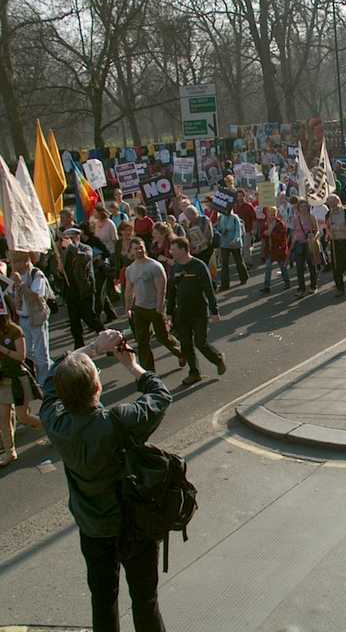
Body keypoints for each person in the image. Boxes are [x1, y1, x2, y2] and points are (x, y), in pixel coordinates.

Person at [40, 329, 171, 629]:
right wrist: (132, 365)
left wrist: (92, 348)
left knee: (102, 601)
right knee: (145, 600)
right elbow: (161, 395)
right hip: (133, 526)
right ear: (97, 388)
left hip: (93, 528)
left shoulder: (56, 423)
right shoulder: (118, 421)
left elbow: (51, 376)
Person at [167, 237, 226, 386]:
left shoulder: (198, 266)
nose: (170, 252)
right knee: (186, 344)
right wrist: (169, 313)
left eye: (173, 249)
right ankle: (194, 373)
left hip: (199, 312)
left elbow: (209, 290)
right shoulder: (175, 268)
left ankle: (218, 359)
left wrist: (214, 311)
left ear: (182, 249)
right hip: (182, 312)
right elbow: (171, 292)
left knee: (200, 342)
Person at [125, 237, 184, 373]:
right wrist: (128, 307)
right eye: (136, 248)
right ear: (131, 251)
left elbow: (161, 289)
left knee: (163, 337)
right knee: (142, 341)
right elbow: (128, 290)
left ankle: (181, 353)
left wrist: (159, 307)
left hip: (154, 308)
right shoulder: (130, 269)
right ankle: (149, 373)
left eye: (141, 246)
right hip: (139, 309)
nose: (139, 250)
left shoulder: (155, 266)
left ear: (145, 247)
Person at [0, 297, 43, 466]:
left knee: (23, 417)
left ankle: (48, 427)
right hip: (3, 379)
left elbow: (21, 356)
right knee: (3, 418)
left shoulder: (14, 331)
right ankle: (10, 452)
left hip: (18, 378)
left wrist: (3, 350)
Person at [10, 251, 53, 385]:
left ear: (26, 261)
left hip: (36, 317)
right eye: (14, 261)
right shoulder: (15, 276)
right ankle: (52, 370)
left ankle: (44, 383)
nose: (16, 264)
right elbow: (12, 297)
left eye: (18, 261)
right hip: (22, 319)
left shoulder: (36, 274)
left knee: (41, 354)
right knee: (27, 352)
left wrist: (21, 284)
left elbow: (35, 296)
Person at [61, 228, 105, 349]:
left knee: (90, 318)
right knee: (74, 321)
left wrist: (71, 247)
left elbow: (84, 259)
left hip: (84, 289)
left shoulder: (85, 249)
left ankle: (107, 338)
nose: (67, 241)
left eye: (70, 238)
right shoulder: (64, 252)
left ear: (77, 237)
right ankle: (78, 345)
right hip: (70, 290)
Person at [326, 195, 346, 297]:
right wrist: (330, 232)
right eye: (329, 203)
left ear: (337, 202)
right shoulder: (328, 214)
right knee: (336, 266)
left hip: (345, 241)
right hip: (334, 242)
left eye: (332, 202)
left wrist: (340, 228)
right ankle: (340, 288)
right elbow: (327, 227)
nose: (331, 205)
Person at [290, 200, 319, 298]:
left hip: (308, 244)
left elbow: (317, 230)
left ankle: (313, 286)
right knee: (299, 268)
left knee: (311, 266)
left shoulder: (311, 217)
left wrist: (314, 238)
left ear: (308, 207)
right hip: (298, 244)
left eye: (305, 206)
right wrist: (292, 244)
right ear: (298, 208)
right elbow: (294, 231)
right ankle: (301, 288)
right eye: (301, 206)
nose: (303, 208)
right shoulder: (295, 219)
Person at [260, 206, 291, 294]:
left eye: (271, 213)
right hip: (269, 249)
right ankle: (267, 287)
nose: (270, 215)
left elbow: (282, 237)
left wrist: (270, 233)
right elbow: (262, 234)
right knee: (267, 268)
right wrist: (265, 233)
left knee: (282, 267)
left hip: (278, 249)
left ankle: (287, 282)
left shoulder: (280, 223)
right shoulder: (266, 223)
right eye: (268, 213)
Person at [216, 206, 248, 291]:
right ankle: (225, 284)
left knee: (239, 261)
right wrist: (221, 229)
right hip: (225, 243)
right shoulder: (221, 217)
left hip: (234, 244)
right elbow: (219, 229)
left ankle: (243, 278)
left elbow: (238, 231)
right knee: (224, 264)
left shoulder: (235, 218)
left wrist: (235, 240)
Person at [233, 189, 257, 267]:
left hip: (247, 230)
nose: (239, 198)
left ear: (244, 196)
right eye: (238, 196)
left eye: (241, 196)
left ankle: (248, 263)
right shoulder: (234, 206)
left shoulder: (248, 206)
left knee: (246, 248)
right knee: (241, 248)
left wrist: (254, 229)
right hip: (237, 231)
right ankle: (243, 263)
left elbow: (254, 218)